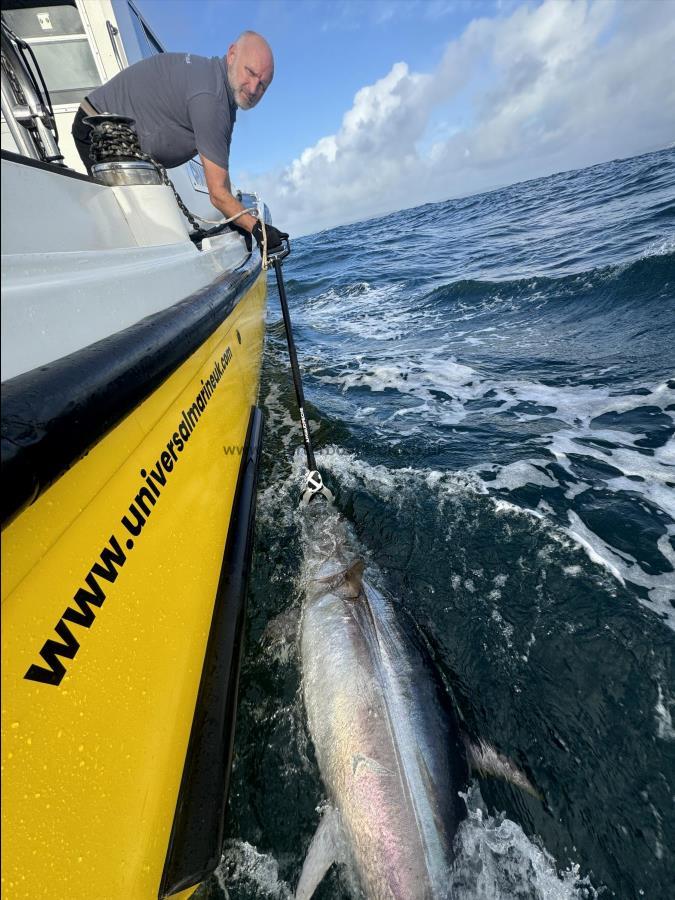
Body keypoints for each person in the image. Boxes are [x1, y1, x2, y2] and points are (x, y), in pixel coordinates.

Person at [71, 31, 287, 250]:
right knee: (140, 234)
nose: (253, 88)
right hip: (99, 131)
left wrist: (238, 218)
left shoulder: (218, 84)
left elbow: (221, 176)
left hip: (111, 127)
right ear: (232, 55)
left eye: (262, 85)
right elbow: (218, 193)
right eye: (249, 72)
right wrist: (258, 228)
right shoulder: (211, 98)